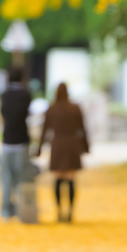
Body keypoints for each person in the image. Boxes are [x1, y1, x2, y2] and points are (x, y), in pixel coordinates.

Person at [37, 82, 89, 222]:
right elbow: (82, 129)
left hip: (58, 145)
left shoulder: (52, 109)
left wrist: (39, 148)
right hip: (72, 145)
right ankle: (70, 211)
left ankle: (59, 210)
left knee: (58, 178)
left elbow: (45, 130)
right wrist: (86, 147)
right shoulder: (75, 108)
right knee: (71, 178)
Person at [0, 69, 32, 219]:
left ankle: (6, 210)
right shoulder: (26, 95)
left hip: (7, 139)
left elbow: (3, 113)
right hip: (21, 139)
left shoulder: (4, 95)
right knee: (21, 177)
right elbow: (26, 114)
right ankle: (21, 210)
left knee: (6, 177)